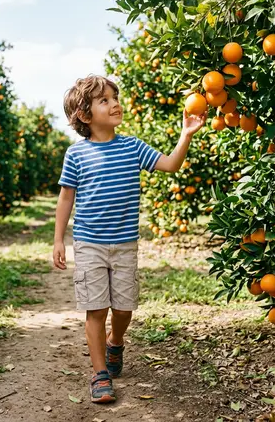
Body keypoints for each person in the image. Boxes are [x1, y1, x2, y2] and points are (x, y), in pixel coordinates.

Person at [53, 74, 206, 403]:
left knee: (123, 308)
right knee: (96, 309)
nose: (115, 103)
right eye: (104, 100)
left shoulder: (133, 146)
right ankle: (99, 374)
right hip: (89, 243)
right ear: (84, 115)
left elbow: (170, 165)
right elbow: (66, 198)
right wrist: (58, 240)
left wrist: (186, 135)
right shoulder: (76, 155)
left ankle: (115, 342)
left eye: (115, 96)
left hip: (124, 244)